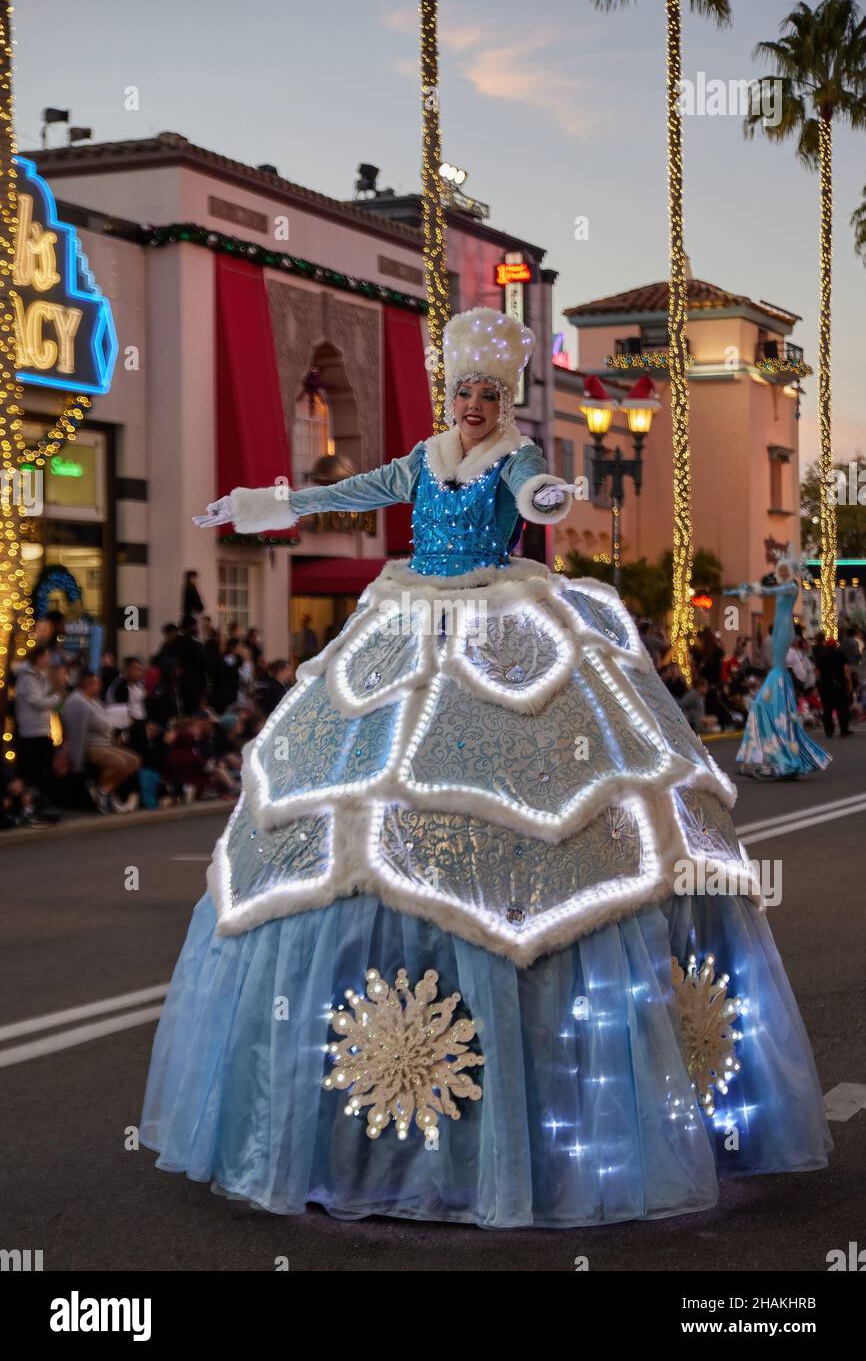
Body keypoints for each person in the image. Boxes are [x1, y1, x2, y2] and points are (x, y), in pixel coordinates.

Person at [142, 306, 830, 1228]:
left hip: (498, 626)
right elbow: (342, 496)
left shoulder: (514, 458)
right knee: (361, 796)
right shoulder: (422, 459)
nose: (472, 406)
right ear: (449, 393)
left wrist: (549, 500)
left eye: (488, 394)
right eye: (463, 391)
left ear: (505, 401)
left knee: (532, 794)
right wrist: (261, 505)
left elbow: (545, 489)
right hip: (410, 623)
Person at [732, 559, 831, 780]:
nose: (783, 572)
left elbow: (772, 589)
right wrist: (747, 590)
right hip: (779, 649)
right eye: (780, 570)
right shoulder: (783, 587)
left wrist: (754, 589)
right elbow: (770, 590)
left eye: (786, 569)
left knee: (760, 705)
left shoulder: (791, 586)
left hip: (782, 642)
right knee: (764, 708)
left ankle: (773, 759)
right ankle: (767, 759)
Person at [61, 671, 141, 813]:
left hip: (105, 743)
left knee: (134, 760)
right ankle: (102, 790)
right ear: (89, 684)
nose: (99, 687)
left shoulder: (94, 701)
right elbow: (77, 733)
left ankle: (106, 790)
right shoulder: (77, 702)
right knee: (119, 764)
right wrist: (75, 760)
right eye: (96, 683)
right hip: (91, 746)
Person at [13, 646, 64, 788]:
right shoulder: (28, 677)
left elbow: (43, 694)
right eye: (47, 657)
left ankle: (39, 794)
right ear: (38, 658)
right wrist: (56, 698)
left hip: (41, 727)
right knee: (32, 764)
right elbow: (36, 702)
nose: (49, 660)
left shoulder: (39, 675)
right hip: (31, 729)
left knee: (42, 763)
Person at [813, 632, 851, 739]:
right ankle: (844, 730)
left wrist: (819, 684)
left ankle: (829, 731)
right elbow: (846, 669)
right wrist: (849, 683)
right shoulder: (840, 655)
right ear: (835, 645)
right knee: (842, 708)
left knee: (827, 709)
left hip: (826, 686)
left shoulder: (821, 657)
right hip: (839, 685)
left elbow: (817, 673)